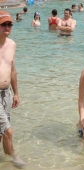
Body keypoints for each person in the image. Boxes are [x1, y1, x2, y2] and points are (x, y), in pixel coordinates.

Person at [0, 11, 26, 167]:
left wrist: (16, 93)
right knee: (8, 131)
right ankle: (13, 158)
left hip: (7, 94)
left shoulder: (12, 44)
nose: (7, 27)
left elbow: (13, 70)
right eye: (3, 24)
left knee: (2, 132)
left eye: (9, 24)